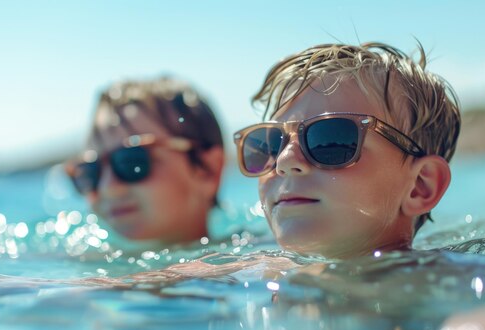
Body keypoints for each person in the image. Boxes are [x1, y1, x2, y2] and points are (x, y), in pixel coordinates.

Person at [232, 42, 461, 259]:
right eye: (270, 144)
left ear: (420, 187)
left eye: (331, 138)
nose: (284, 160)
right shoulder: (250, 272)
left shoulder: (464, 283)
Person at [66, 77, 224, 246]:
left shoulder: (251, 265)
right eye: (91, 172)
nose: (108, 188)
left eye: (131, 162)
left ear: (208, 170)